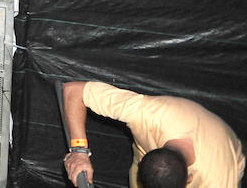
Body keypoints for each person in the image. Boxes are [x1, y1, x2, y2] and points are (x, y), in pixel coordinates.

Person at [61, 79, 244, 188]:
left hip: (222, 153)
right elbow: (74, 91)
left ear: (189, 180)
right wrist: (79, 152)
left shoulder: (218, 180)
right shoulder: (149, 114)